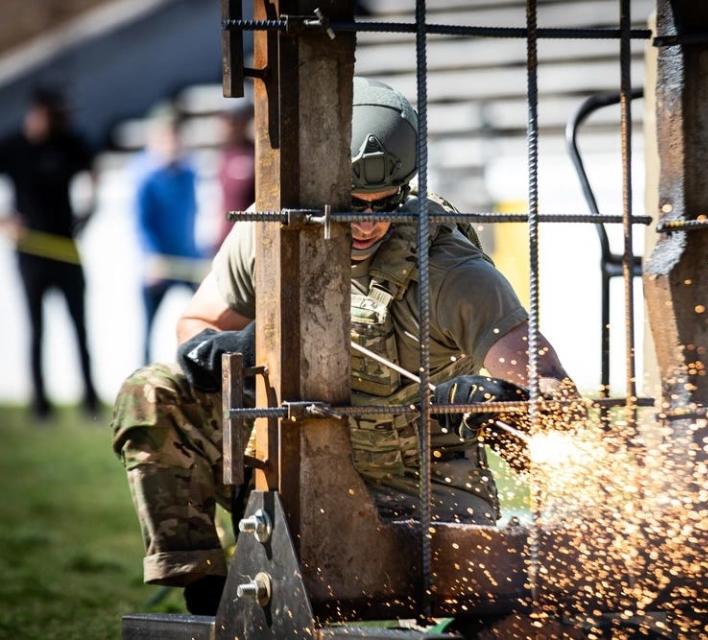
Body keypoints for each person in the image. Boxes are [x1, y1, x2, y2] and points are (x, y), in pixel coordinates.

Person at [110, 78, 574, 614]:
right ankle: (208, 589)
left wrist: (490, 400)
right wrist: (223, 347)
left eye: (388, 202)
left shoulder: (450, 273)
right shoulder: (271, 230)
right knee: (151, 392)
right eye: (355, 203)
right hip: (292, 471)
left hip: (416, 491)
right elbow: (193, 324)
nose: (372, 222)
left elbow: (553, 391)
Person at [0, 88, 100, 420]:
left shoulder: (69, 143)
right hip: (30, 253)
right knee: (36, 328)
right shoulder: (13, 147)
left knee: (80, 326)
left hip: (66, 249)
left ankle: (89, 399)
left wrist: (89, 210)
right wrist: (6, 220)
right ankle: (40, 404)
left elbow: (93, 168)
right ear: (38, 113)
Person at [133, 110, 203, 364]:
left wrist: (198, 256)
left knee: (207, 318)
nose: (173, 144)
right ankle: (142, 386)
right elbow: (141, 223)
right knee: (148, 330)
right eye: (167, 138)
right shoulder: (145, 178)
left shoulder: (188, 175)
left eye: (176, 138)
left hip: (187, 262)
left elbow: (192, 217)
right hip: (157, 266)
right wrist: (151, 257)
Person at [214, 105, 255, 249]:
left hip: (250, 239)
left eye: (232, 121)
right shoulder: (224, 155)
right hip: (228, 239)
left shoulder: (255, 154)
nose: (227, 126)